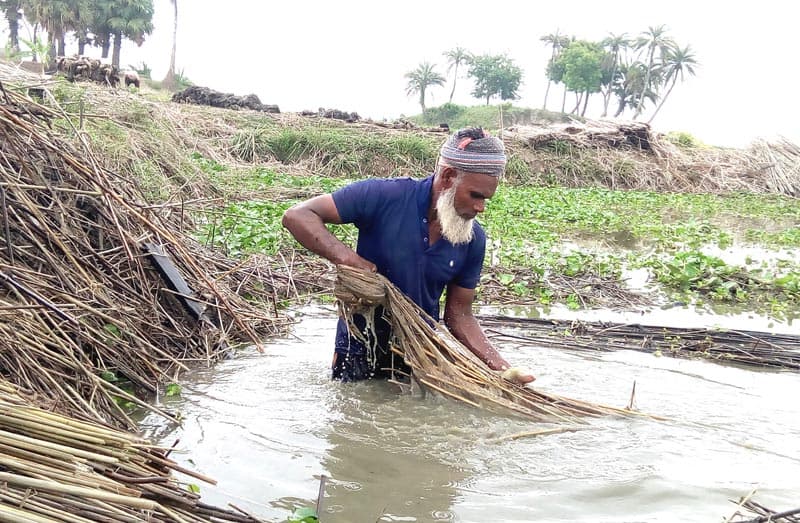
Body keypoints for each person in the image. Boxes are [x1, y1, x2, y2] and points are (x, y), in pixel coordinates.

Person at [282, 127, 535, 385]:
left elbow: (459, 314)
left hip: (419, 357)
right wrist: (350, 261)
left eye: (486, 200)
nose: (480, 207)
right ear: (448, 176)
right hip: (358, 350)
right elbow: (298, 216)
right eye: (475, 195)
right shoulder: (384, 196)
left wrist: (502, 368)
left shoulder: (472, 240)